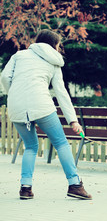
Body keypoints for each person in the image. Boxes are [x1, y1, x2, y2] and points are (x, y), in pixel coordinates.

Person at [0, 30, 92, 200]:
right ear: (53, 45)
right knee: (61, 143)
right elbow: (61, 93)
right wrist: (73, 120)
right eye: (58, 45)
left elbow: (5, 77)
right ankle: (75, 185)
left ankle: (25, 188)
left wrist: (13, 93)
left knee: (30, 147)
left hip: (16, 106)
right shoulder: (54, 62)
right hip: (41, 104)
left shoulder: (19, 56)